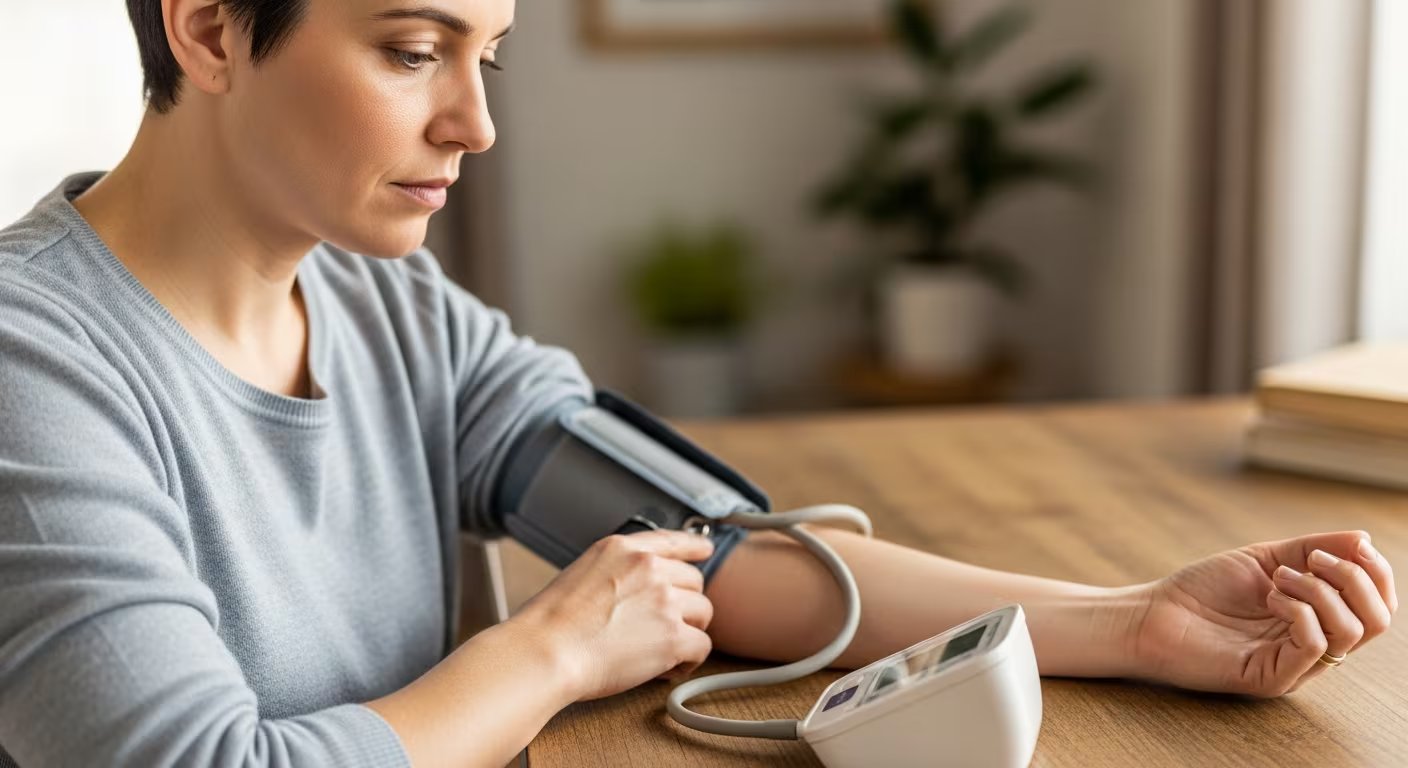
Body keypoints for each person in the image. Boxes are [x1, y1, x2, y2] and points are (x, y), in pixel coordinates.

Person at [0, 1, 1395, 766]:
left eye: (486, 57)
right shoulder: (32, 361)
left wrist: (1131, 620)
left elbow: (720, 556)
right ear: (209, 28)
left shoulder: (392, 305)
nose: (474, 122)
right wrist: (546, 652)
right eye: (412, 50)